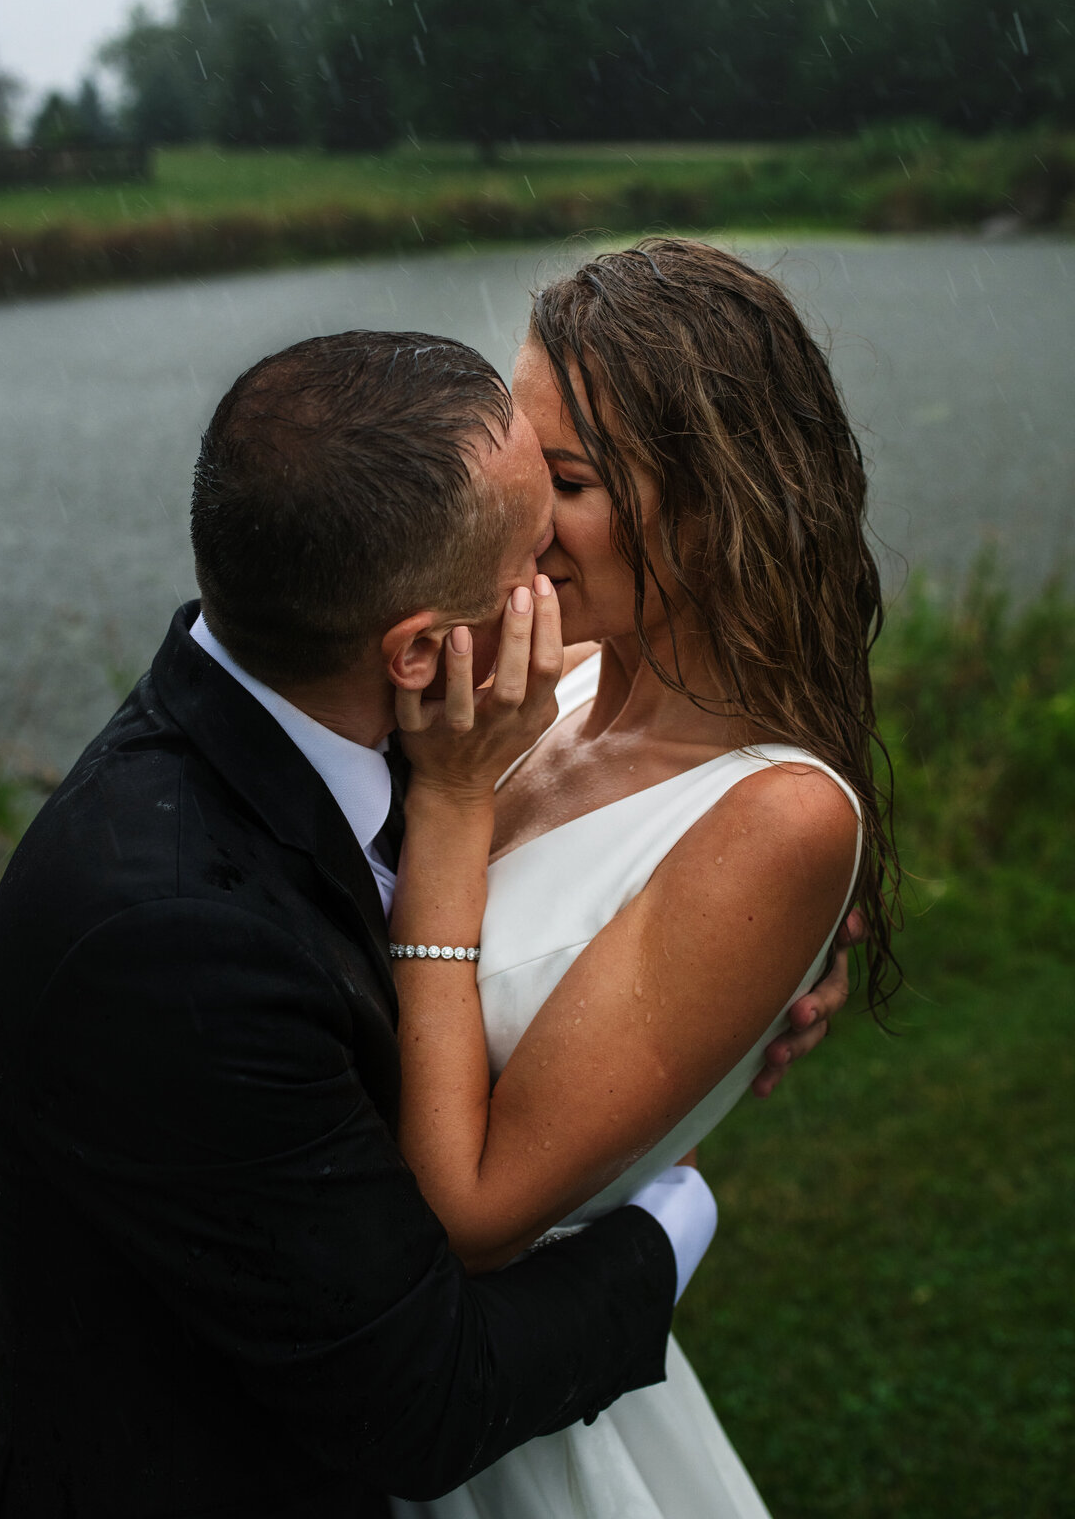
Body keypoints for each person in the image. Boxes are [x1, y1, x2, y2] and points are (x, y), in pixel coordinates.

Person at [0, 325, 856, 1519]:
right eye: (533, 530)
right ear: (420, 648)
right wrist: (667, 1201)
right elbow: (422, 1404)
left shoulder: (309, 687)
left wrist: (721, 998)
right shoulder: (171, 934)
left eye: (564, 486)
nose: (550, 554)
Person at [383, 239, 902, 1519]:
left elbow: (481, 1214)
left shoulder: (774, 820)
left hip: (481, 1416)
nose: (512, 516)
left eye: (563, 480)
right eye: (515, 465)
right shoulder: (537, 676)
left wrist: (447, 808)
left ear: (717, 498)